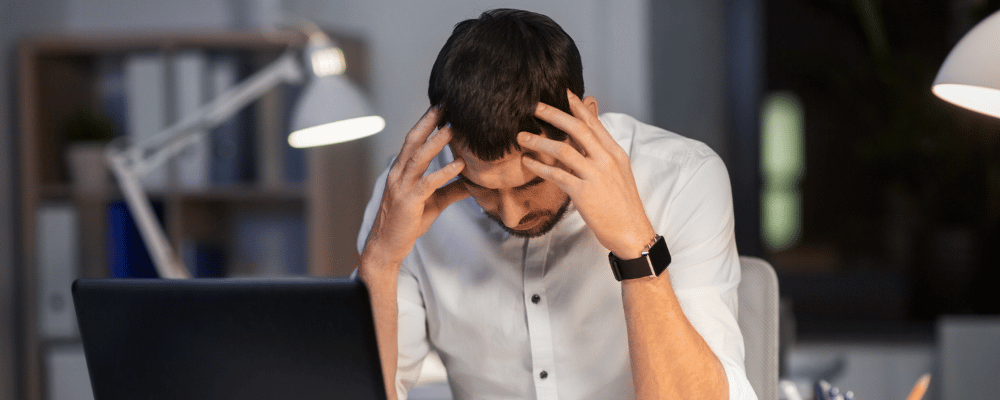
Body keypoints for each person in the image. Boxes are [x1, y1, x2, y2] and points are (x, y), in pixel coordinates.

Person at [356, 8, 756, 400]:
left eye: (531, 182)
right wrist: (380, 261)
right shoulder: (409, 197)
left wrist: (636, 248)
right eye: (481, 188)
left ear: (583, 128)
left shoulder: (682, 179)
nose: (511, 215)